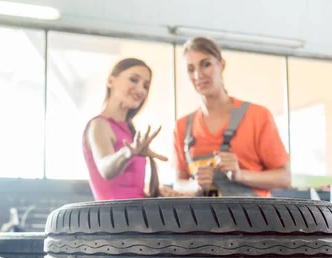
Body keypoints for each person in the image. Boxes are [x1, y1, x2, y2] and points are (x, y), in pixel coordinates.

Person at [173, 37, 291, 197]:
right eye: (190, 69)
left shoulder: (257, 116)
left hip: (255, 219)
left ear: (221, 65)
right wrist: (195, 185)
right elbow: (179, 183)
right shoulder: (182, 127)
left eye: (206, 64)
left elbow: (284, 178)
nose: (198, 75)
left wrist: (239, 175)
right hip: (205, 220)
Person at [83, 58, 176, 200]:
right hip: (115, 219)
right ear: (111, 81)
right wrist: (127, 153)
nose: (140, 89)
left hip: (136, 216)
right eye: (133, 80)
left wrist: (157, 194)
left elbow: (132, 192)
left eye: (146, 86)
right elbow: (105, 168)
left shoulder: (129, 131)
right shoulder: (99, 125)